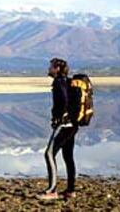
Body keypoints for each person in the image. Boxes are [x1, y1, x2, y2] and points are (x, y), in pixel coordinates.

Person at [36, 58, 78, 200]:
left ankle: (51, 190)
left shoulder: (59, 82)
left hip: (65, 125)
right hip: (73, 125)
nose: (49, 69)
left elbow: (64, 100)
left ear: (57, 69)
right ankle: (70, 190)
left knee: (49, 154)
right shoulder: (67, 81)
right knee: (68, 157)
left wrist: (60, 117)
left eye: (51, 67)